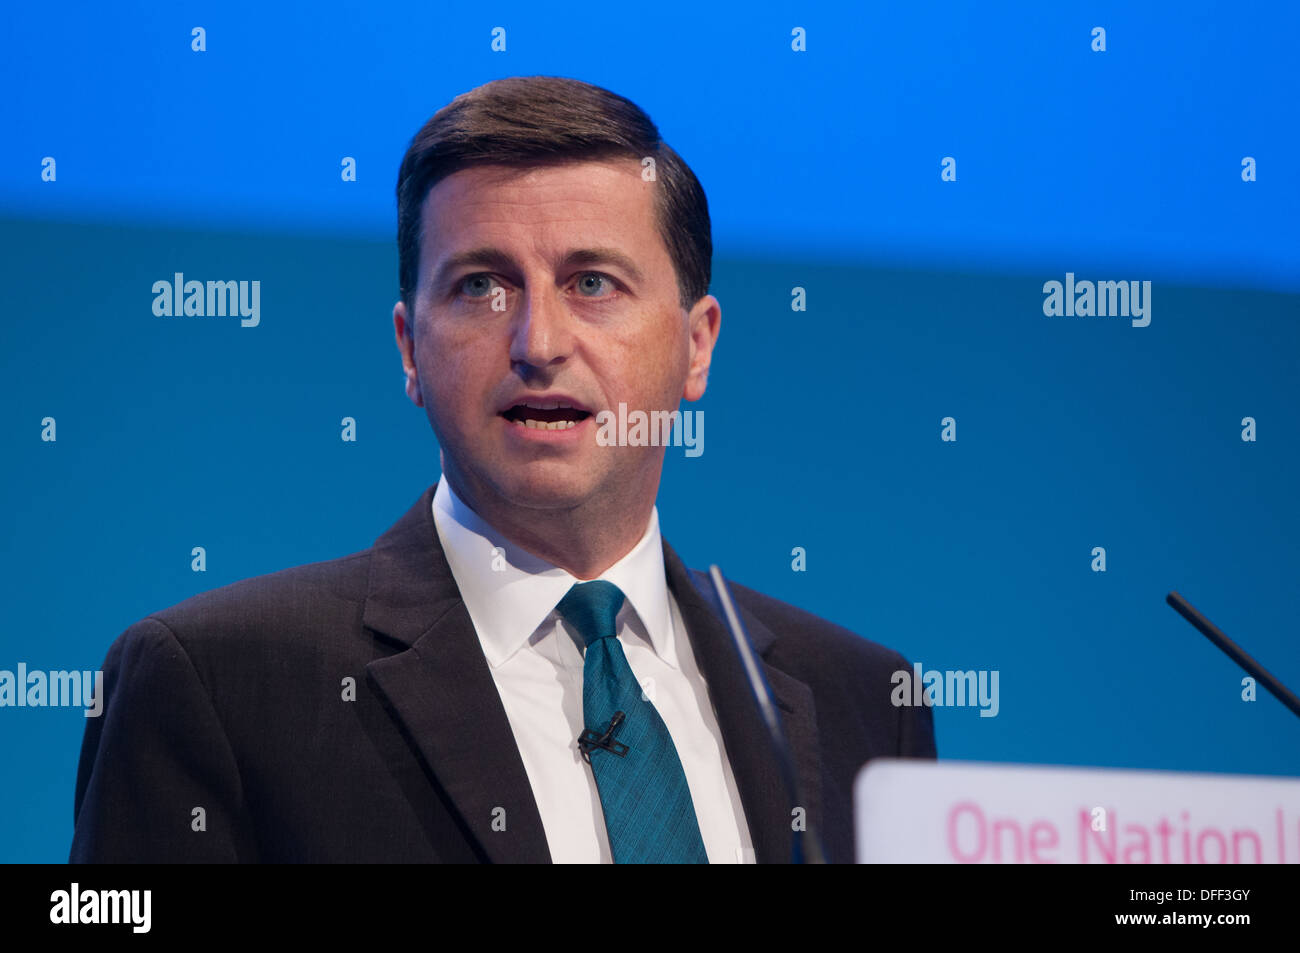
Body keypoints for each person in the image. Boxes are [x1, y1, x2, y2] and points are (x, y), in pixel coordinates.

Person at [69, 75, 936, 864]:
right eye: (482, 286)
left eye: (592, 283)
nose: (540, 343)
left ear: (697, 345)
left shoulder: (863, 699)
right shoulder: (219, 684)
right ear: (410, 347)